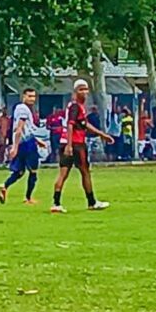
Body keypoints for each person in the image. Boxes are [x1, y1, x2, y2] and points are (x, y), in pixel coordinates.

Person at [51, 79, 115, 214]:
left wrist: (102, 134)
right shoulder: (75, 106)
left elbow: (85, 124)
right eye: (81, 89)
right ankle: (91, 202)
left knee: (63, 173)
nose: (85, 92)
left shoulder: (76, 106)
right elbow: (70, 125)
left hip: (67, 142)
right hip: (76, 143)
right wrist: (69, 145)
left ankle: (56, 203)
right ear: (75, 91)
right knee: (84, 172)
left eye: (86, 89)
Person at [0, 88, 45, 206]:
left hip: (24, 142)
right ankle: (28, 198)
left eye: (33, 96)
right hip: (26, 144)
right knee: (33, 171)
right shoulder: (23, 109)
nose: (32, 99)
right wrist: (15, 147)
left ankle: (4, 186)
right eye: (29, 96)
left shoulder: (19, 108)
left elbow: (25, 129)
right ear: (23, 97)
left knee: (19, 171)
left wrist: (37, 140)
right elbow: (19, 129)